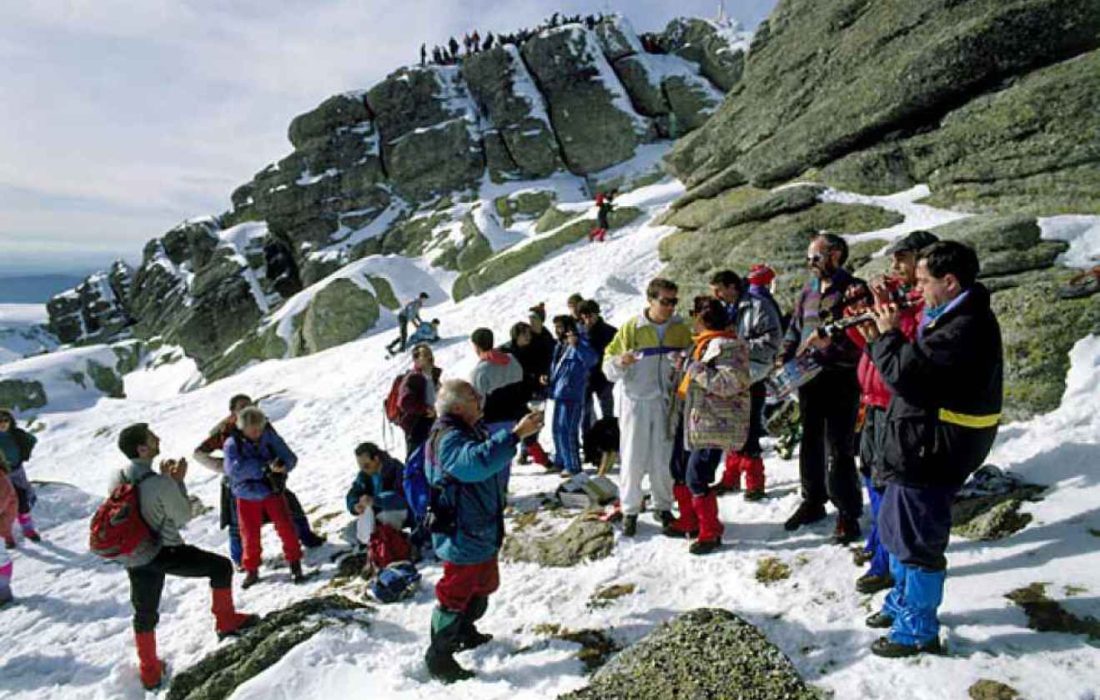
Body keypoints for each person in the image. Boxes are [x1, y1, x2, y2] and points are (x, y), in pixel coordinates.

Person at [859, 241, 1002, 657]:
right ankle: (903, 604)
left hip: (934, 448)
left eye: (923, 281)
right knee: (896, 527)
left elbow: (912, 378)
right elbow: (909, 371)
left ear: (950, 281)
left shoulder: (966, 327)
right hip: (917, 441)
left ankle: (918, 629)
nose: (917, 288)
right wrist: (876, 339)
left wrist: (887, 337)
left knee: (918, 538)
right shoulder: (948, 316)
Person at [114, 423, 257, 690]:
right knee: (221, 568)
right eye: (152, 438)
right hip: (165, 549)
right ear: (142, 448)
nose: (158, 438)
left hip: (134, 553)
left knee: (144, 611)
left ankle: (149, 671)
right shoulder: (158, 483)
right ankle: (226, 621)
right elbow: (182, 516)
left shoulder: (119, 476)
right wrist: (176, 483)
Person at [423, 380, 544, 682]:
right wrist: (515, 434)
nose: (481, 402)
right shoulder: (449, 436)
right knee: (456, 590)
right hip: (462, 528)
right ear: (460, 406)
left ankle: (464, 630)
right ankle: (439, 656)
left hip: (478, 524)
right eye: (474, 399)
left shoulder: (466, 428)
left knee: (483, 583)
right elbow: (474, 464)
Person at [852, 231, 936, 594]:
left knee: (888, 482)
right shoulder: (901, 300)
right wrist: (862, 323)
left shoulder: (923, 306)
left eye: (902, 258)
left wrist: (888, 314)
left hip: (895, 405)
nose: (895, 266)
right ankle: (878, 542)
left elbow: (904, 353)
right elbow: (876, 349)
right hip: (873, 400)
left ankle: (886, 562)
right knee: (871, 473)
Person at [780, 233, 868, 543]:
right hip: (808, 376)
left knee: (840, 446)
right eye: (808, 259)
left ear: (836, 255)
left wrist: (834, 341)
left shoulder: (854, 289)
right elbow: (794, 326)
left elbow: (862, 329)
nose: (811, 264)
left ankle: (848, 512)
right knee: (810, 439)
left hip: (841, 376)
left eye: (816, 258)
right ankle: (813, 500)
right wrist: (784, 355)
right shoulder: (809, 290)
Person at [603, 278, 693, 536]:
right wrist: (622, 361)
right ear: (650, 300)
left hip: (667, 401)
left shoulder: (680, 329)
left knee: (663, 458)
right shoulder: (632, 328)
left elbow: (692, 356)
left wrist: (683, 362)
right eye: (665, 301)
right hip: (637, 401)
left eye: (673, 301)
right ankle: (630, 509)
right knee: (633, 456)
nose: (670, 307)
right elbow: (608, 368)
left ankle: (663, 506)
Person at [193, 394, 324, 569]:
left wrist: (280, 465)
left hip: (269, 479)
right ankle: (241, 560)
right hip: (240, 483)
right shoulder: (225, 431)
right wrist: (224, 467)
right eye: (242, 407)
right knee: (237, 524)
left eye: (250, 405)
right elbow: (199, 453)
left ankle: (307, 538)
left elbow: (279, 448)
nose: (248, 409)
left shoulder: (263, 424)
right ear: (233, 412)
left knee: (291, 508)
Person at [664, 297, 751, 554]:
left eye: (694, 314)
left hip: (713, 421)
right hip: (691, 416)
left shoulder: (729, 346)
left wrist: (692, 367)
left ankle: (710, 531)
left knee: (697, 475)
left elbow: (729, 383)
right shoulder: (702, 344)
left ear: (703, 318)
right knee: (678, 468)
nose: (692, 319)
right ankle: (689, 521)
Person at [714, 266, 783, 499]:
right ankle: (731, 478)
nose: (717, 296)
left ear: (732, 287)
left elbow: (772, 340)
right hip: (732, 374)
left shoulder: (758, 305)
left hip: (752, 375)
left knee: (750, 428)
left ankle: (755, 482)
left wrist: (737, 347)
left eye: (720, 290)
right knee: (732, 427)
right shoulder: (727, 307)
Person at [223, 406, 306, 588]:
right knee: (249, 534)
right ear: (242, 428)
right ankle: (251, 569)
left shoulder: (269, 437)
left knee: (286, 528)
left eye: (260, 428)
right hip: (246, 496)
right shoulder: (231, 444)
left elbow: (290, 457)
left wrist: (283, 465)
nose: (257, 433)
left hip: (271, 491)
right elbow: (234, 470)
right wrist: (265, 467)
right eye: (253, 430)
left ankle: (295, 563)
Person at [547, 316, 598, 475]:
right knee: (557, 429)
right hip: (559, 392)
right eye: (556, 327)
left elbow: (592, 360)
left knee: (568, 431)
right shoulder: (559, 346)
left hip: (573, 393)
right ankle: (561, 460)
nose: (558, 331)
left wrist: (577, 346)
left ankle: (573, 466)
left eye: (561, 327)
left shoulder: (580, 342)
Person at [346, 443, 409, 562]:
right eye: (361, 467)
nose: (364, 470)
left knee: (382, 519)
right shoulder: (365, 475)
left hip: (397, 512)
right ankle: (375, 544)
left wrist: (376, 500)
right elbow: (353, 493)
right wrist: (355, 505)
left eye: (366, 465)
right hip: (375, 515)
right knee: (350, 530)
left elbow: (402, 498)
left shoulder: (395, 469)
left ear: (376, 459)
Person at [500, 322, 551, 467]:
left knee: (535, 423)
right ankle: (540, 458)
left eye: (529, 333)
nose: (528, 337)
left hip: (532, 392)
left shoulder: (534, 347)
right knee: (526, 425)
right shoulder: (506, 351)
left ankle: (527, 452)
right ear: (517, 336)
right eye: (525, 334)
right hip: (512, 396)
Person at [469, 328, 526, 433]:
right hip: (516, 415)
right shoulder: (511, 359)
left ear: (476, 346)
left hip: (493, 421)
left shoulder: (479, 372)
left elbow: (477, 402)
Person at [0, 408, 39, 545]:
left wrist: (24, 453)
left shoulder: (15, 434)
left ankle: (28, 530)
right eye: (0, 421)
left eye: (6, 420)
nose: (3, 424)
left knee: (23, 500)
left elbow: (31, 440)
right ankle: (7, 537)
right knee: (5, 506)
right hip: (2, 476)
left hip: (17, 471)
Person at [396, 344, 443, 455]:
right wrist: (425, 409)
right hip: (416, 425)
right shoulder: (413, 378)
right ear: (416, 360)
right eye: (425, 355)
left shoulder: (432, 374)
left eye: (430, 354)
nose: (430, 357)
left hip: (430, 421)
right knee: (416, 457)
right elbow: (404, 402)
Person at [577, 300, 617, 430]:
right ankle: (589, 442)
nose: (587, 320)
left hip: (603, 379)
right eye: (584, 317)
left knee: (608, 413)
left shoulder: (609, 332)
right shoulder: (578, 333)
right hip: (584, 379)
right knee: (585, 415)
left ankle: (610, 441)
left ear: (596, 314)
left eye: (590, 316)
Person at [0, 452, 17, 605]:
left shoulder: (1, 478)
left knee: (0, 556)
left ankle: (3, 592)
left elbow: (4, 498)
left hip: (2, 519)